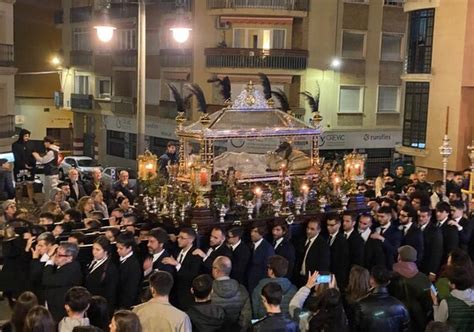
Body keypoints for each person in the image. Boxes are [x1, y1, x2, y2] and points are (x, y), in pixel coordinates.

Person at [389, 245, 432, 332]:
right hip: (419, 321)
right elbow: (430, 301)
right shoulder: (423, 278)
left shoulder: (391, 277)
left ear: (399, 257)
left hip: (397, 321)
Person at [354, 265, 410, 332]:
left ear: (371, 280)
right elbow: (406, 328)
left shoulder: (360, 305)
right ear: (388, 282)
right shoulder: (400, 306)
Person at [162, 227, 202, 310]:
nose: (178, 240)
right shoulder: (176, 251)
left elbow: (192, 275)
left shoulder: (195, 255)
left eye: (182, 238)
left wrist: (177, 265)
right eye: (178, 237)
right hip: (174, 296)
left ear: (191, 240)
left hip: (186, 297)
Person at [42, 242, 83, 322]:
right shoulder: (63, 265)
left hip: (60, 312)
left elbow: (47, 280)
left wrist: (50, 262)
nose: (55, 257)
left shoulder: (72, 269)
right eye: (56, 253)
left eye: (59, 255)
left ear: (70, 258)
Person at [210, 256, 252, 331]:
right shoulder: (242, 289)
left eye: (212, 267)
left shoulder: (209, 290)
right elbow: (246, 317)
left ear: (216, 270)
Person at [432, 265, 474, 331]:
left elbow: (438, 323)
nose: (448, 283)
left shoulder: (446, 303)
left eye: (449, 281)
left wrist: (435, 302)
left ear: (453, 285)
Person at [85, 236, 119, 314]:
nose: (94, 252)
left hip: (99, 308)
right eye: (93, 249)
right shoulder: (91, 261)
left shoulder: (111, 268)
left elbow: (111, 293)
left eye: (98, 250)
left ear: (106, 251)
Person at [296, 219, 330, 286]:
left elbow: (323, 266)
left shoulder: (322, 245)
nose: (308, 231)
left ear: (319, 230)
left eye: (312, 229)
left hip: (313, 281)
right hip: (300, 278)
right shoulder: (301, 240)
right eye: (308, 228)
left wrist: (318, 284)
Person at [116, 231, 142, 309]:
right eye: (117, 247)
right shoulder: (118, 258)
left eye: (121, 248)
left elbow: (131, 290)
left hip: (126, 304)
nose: (118, 250)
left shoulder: (133, 265)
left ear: (129, 248)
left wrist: (124, 307)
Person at [418, 206, 444, 281]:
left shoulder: (435, 231)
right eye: (419, 216)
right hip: (417, 266)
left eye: (423, 216)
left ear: (429, 217)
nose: (421, 218)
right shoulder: (416, 227)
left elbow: (437, 252)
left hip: (427, 267)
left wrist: (433, 272)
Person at [248, 225, 275, 293]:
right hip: (251, 282)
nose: (252, 234)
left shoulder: (267, 248)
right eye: (251, 231)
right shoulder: (250, 245)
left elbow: (268, 267)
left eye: (255, 231)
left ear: (262, 233)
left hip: (260, 284)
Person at [12, 128, 36, 204]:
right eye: (25, 136)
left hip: (30, 168)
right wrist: (23, 164)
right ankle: (18, 200)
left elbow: (33, 155)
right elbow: (16, 157)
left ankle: (31, 200)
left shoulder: (31, 144)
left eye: (28, 136)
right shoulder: (15, 145)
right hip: (19, 168)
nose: (27, 138)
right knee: (19, 185)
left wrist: (31, 164)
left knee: (30, 184)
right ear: (21, 136)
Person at [327, 214, 350, 288]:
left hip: (337, 277)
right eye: (327, 225)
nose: (328, 227)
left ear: (339, 225)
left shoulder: (342, 241)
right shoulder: (326, 237)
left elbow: (342, 262)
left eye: (332, 225)